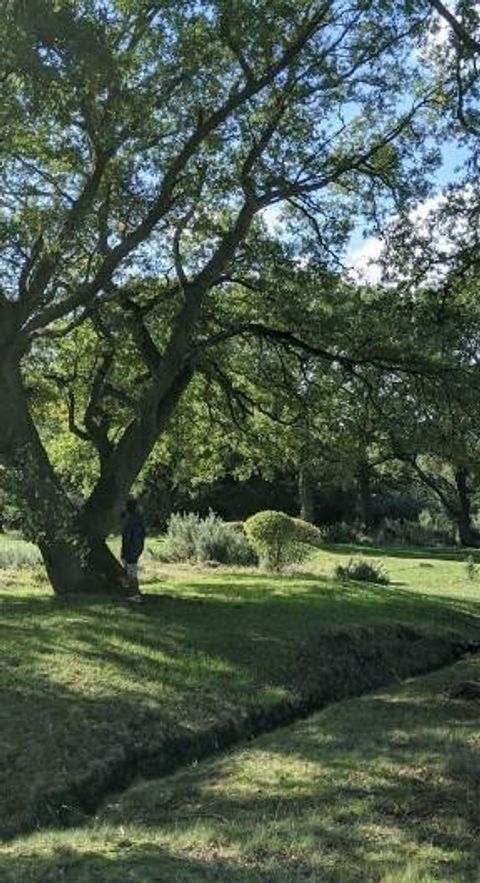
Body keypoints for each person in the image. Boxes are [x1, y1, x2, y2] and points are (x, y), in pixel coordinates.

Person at [121, 497, 146, 603]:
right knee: (131, 572)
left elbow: (127, 538)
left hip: (131, 549)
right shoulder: (139, 520)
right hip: (137, 548)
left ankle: (135, 595)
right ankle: (133, 593)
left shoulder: (131, 521)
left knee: (132, 574)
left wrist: (124, 552)